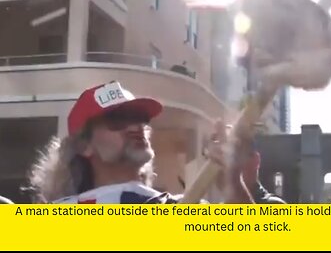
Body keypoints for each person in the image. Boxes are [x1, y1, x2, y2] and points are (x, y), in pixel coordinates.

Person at [27, 81, 253, 204]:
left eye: (139, 119)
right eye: (117, 120)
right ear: (84, 146)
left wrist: (233, 182)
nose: (135, 127)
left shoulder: (181, 210)